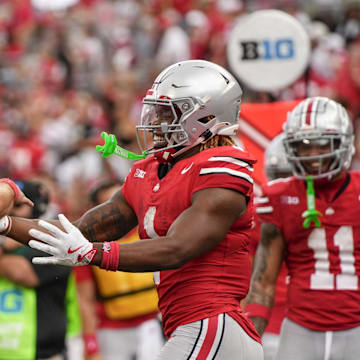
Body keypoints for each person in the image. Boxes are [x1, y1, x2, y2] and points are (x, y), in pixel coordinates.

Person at [4, 60, 263, 360]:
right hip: (187, 325)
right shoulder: (150, 171)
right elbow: (75, 232)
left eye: (169, 115)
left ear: (205, 117)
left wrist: (93, 252)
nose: (155, 122)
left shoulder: (221, 167)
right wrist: (5, 223)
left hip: (213, 322)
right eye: (156, 111)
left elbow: (178, 247)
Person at [246, 96, 360, 360]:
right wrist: (250, 340)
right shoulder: (279, 197)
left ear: (342, 143)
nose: (312, 156)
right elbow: (263, 284)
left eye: (321, 145)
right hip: (301, 327)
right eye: (303, 146)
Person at [75, 179, 163, 360]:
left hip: (158, 322)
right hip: (112, 330)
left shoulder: (152, 229)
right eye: (110, 205)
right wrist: (91, 344)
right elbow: (85, 300)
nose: (118, 212)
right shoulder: (85, 244)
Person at [0, 180, 80, 360]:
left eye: (18, 206)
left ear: (36, 207)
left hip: (42, 352)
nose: (9, 211)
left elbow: (21, 274)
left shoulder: (51, 240)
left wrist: (4, 246)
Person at [248, 133, 292, 360]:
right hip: (271, 319)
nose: (283, 187)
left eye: (289, 177)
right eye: (278, 178)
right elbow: (251, 277)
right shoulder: (260, 212)